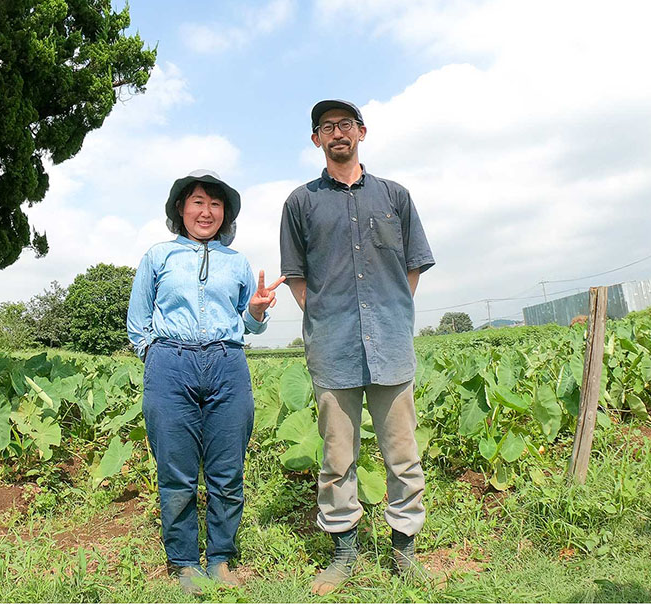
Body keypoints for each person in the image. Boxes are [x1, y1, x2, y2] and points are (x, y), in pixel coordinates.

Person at [279, 100, 435, 594]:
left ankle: (403, 549)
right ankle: (343, 550)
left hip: (390, 345)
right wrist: (325, 319)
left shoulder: (395, 196)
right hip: (333, 349)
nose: (337, 133)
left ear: (362, 132)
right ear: (316, 140)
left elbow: (412, 265)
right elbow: (298, 279)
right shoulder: (300, 203)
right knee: (336, 455)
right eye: (327, 127)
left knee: (402, 453)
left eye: (345, 124)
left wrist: (388, 313)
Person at [127, 169, 285, 594]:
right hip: (170, 366)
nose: (206, 211)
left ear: (225, 214)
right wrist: (156, 355)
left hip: (227, 365)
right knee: (176, 471)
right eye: (197, 201)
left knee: (227, 471)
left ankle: (221, 558)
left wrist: (255, 310)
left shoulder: (238, 263)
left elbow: (251, 326)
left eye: (215, 204)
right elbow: (137, 320)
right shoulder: (158, 256)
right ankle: (182, 561)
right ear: (181, 209)